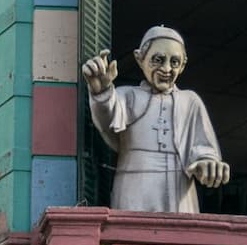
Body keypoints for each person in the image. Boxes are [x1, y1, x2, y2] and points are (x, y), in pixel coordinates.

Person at [82, 26, 230, 213]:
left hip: (179, 189)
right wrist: (101, 91)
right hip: (134, 185)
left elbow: (203, 148)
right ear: (139, 58)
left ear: (183, 65)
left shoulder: (190, 101)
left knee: (179, 239)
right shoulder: (127, 96)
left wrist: (207, 164)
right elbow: (107, 116)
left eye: (174, 62)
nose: (167, 69)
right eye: (158, 60)